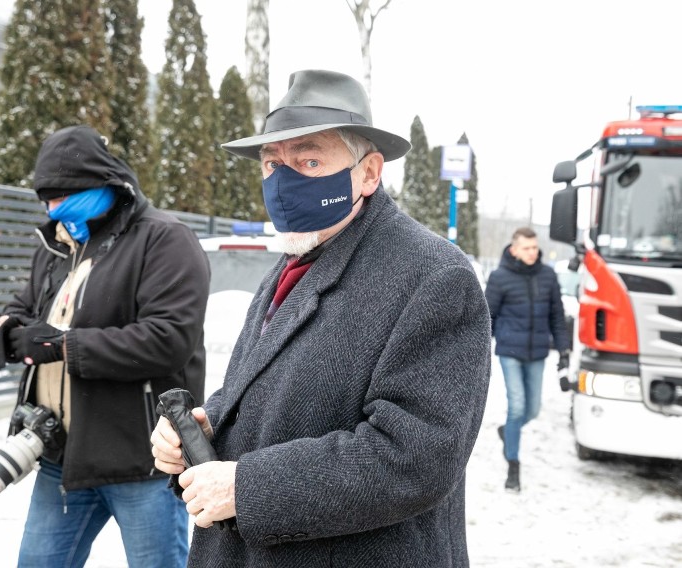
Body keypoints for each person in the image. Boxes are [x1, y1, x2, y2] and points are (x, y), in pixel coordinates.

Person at [150, 69, 491, 567]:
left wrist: (248, 487)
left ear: (369, 172)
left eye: (309, 159)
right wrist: (203, 434)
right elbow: (264, 393)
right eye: (272, 164)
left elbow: (415, 457)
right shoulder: (295, 261)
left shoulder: (434, 276)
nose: (284, 180)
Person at [0, 125, 210, 568]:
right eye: (47, 198)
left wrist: (63, 346)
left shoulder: (165, 239)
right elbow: (27, 302)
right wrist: (3, 338)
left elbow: (168, 340)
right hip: (63, 456)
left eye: (64, 194)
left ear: (105, 184)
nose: (55, 208)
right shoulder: (59, 242)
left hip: (142, 459)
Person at [485, 227, 570, 492]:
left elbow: (557, 315)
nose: (533, 252)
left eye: (535, 247)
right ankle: (513, 466)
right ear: (514, 249)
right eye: (527, 248)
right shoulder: (499, 277)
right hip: (510, 351)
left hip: (537, 353)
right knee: (518, 406)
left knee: (532, 410)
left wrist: (564, 353)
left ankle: (508, 432)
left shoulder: (547, 276)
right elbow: (487, 317)